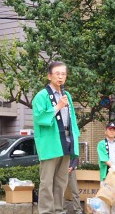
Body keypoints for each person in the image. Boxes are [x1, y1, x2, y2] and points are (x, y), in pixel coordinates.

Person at [32, 61, 80, 214]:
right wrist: (58, 106)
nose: (60, 77)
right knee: (46, 182)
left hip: (65, 142)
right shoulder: (41, 96)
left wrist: (75, 144)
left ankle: (59, 211)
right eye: (57, 73)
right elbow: (40, 118)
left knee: (61, 181)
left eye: (63, 74)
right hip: (49, 144)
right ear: (49, 76)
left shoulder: (67, 95)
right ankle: (46, 211)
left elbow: (71, 120)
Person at [97, 122, 115, 214]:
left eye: (114, 130)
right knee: (105, 198)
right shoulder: (101, 144)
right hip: (106, 175)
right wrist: (112, 166)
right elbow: (103, 157)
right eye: (110, 129)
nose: (112, 131)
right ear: (105, 131)